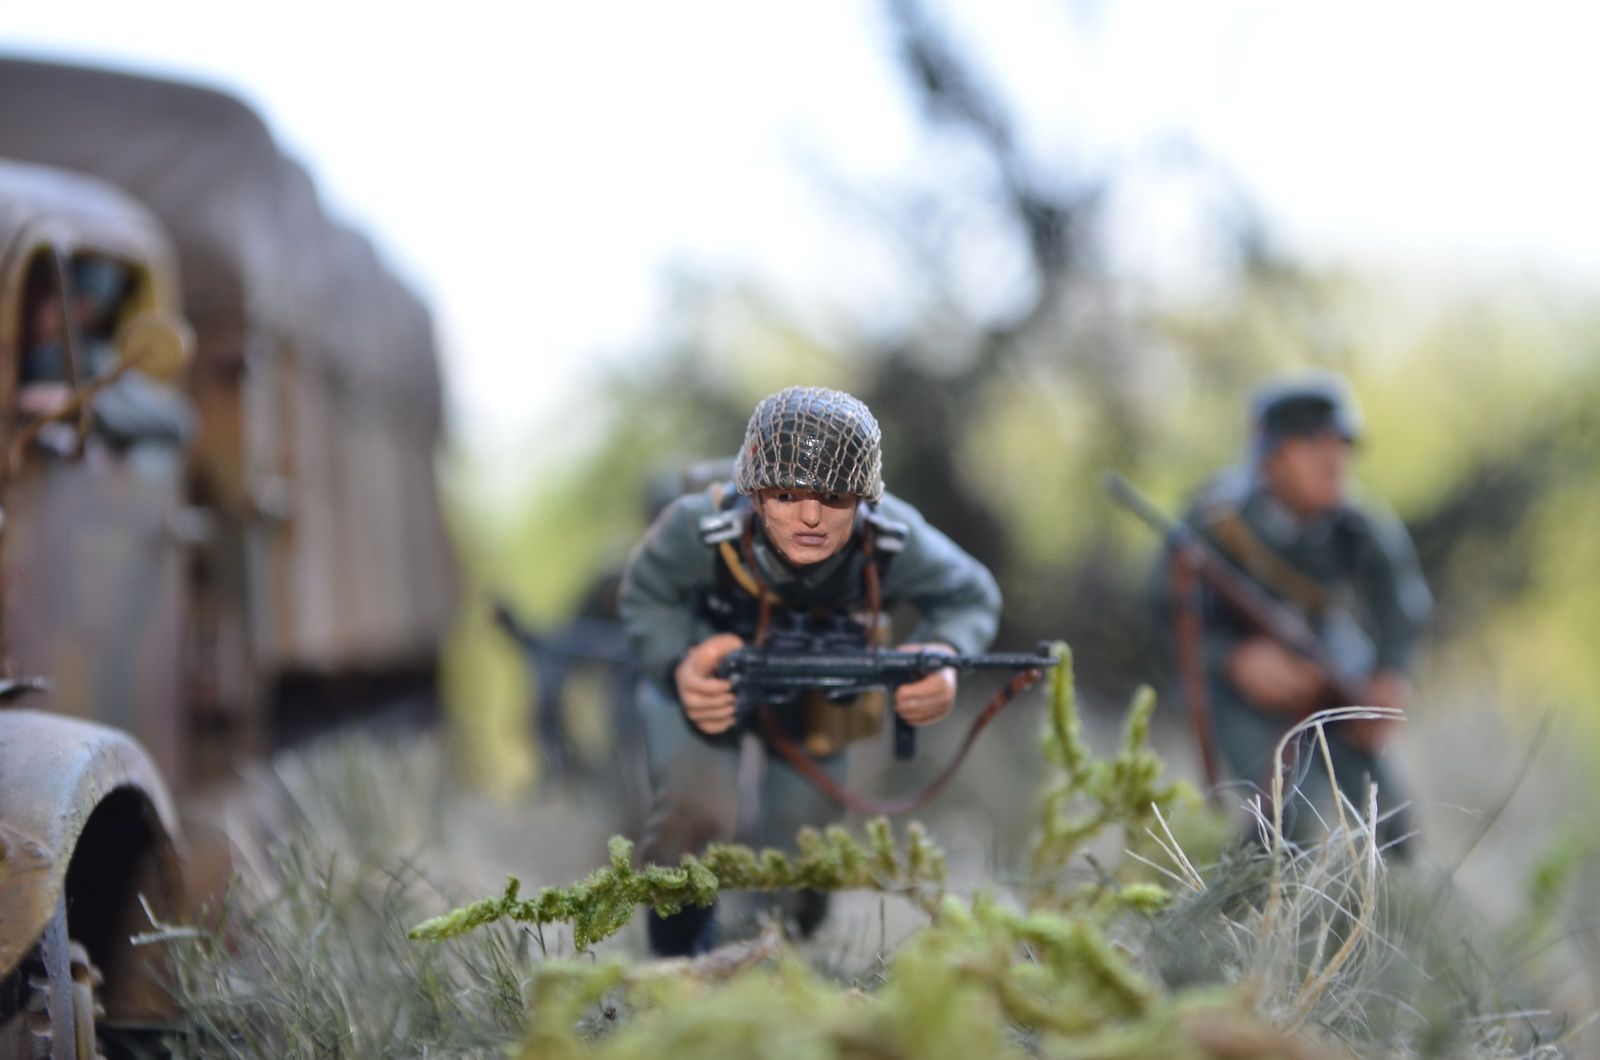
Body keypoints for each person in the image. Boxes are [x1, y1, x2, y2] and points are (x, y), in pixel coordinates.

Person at [618, 385, 1002, 956]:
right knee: (693, 814)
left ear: (865, 498)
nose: (811, 516)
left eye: (836, 496)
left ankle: (775, 956)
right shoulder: (701, 527)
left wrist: (945, 656)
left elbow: (970, 596)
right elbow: (646, 592)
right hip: (712, 684)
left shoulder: (893, 537)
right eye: (786, 494)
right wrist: (678, 663)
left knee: (805, 852)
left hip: (817, 699)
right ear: (755, 492)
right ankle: (675, 966)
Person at [1153, 370, 1432, 857]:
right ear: (1271, 456)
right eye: (1313, 443)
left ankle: (1389, 903)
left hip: (1330, 677)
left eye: (1341, 443)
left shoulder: (1356, 525)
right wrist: (1234, 659)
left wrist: (1391, 672)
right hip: (1240, 695)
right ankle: (1231, 900)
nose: (1334, 458)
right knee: (1288, 820)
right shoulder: (1216, 522)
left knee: (1391, 822)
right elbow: (1164, 614)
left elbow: (1400, 598)